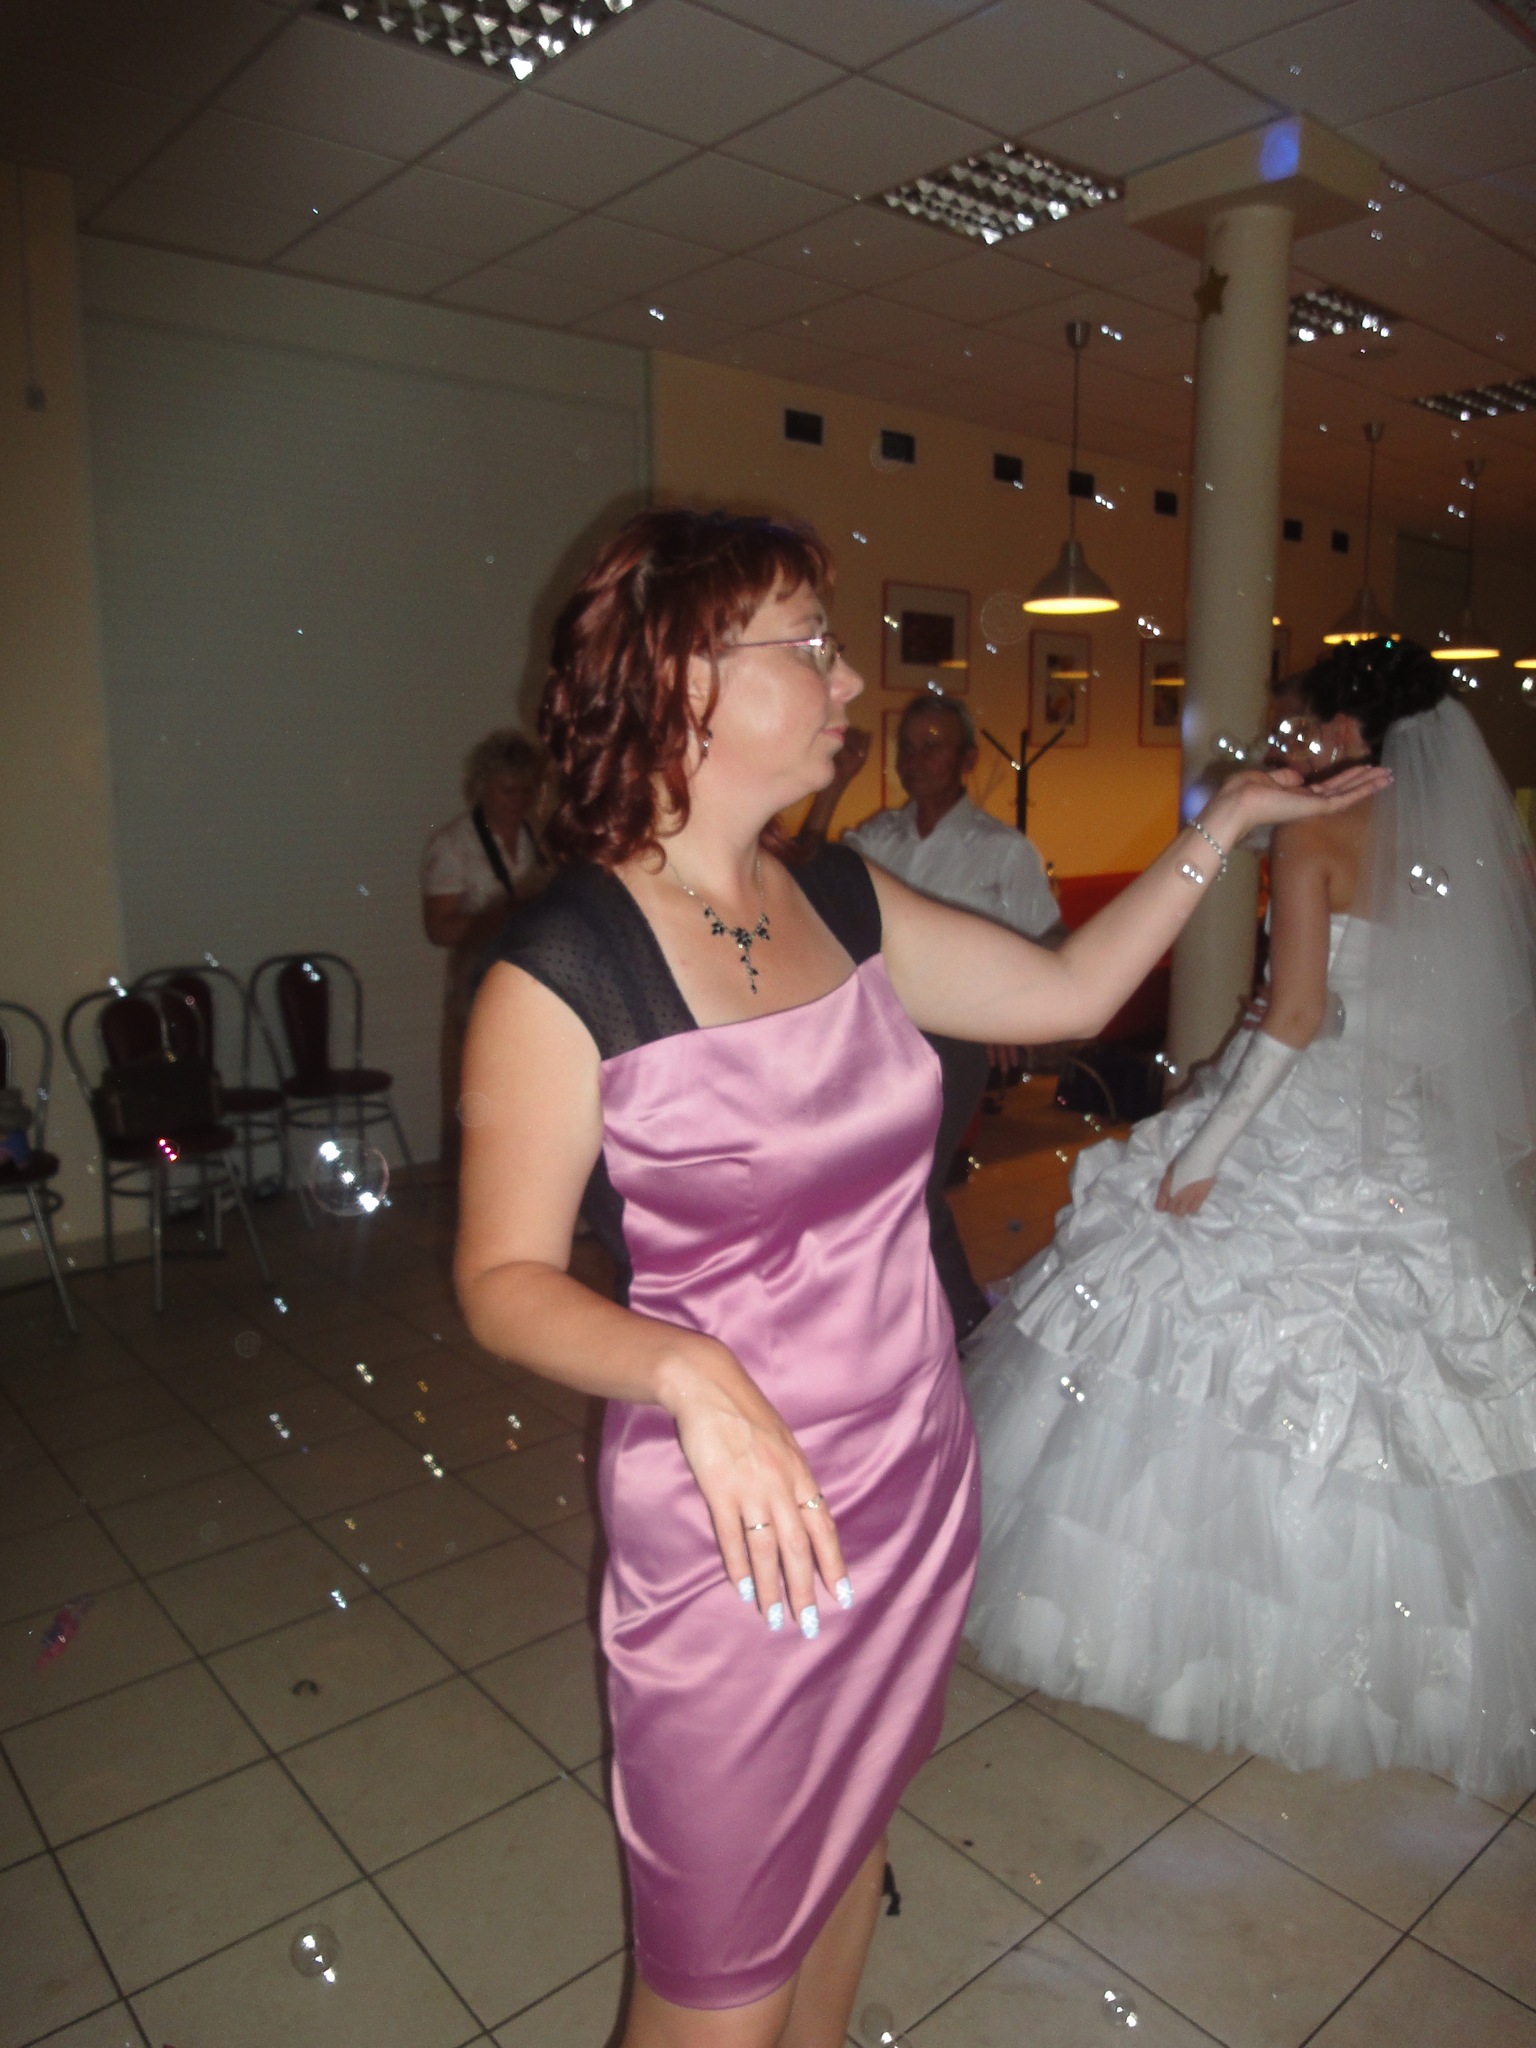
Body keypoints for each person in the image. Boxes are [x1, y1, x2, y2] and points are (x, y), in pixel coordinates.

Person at [452, 506, 1384, 2048]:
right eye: (809, 649)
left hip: (907, 1474)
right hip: (736, 1527)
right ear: (685, 680)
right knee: (712, 1991)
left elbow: (1071, 991)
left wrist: (1229, 820)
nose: (850, 685)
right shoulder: (566, 962)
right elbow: (500, 1277)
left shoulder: (837, 896)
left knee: (841, 1885)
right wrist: (688, 1368)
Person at [965, 637, 1536, 1802]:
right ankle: (1386, 1663)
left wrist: (1209, 1147)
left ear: (1347, 731)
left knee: (1190, 1340)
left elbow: (1300, 1013)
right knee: (1403, 1384)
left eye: (1309, 723)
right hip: (1398, 1121)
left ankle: (1189, 1634)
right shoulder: (1463, 846)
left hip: (1297, 1105)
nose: (1297, 743)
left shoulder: (1314, 831)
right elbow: (1451, 1006)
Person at [800, 694, 1064, 1338]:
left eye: (933, 746)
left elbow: (1049, 945)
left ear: (968, 759)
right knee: (863, 1184)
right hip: (866, 1035)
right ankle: (894, 1321)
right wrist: (832, 788)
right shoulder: (876, 839)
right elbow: (802, 877)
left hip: (951, 1041)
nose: (916, 760)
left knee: (912, 1188)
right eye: (909, 747)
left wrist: (1004, 1015)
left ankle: (967, 1325)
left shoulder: (1002, 850)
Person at [421, 729, 548, 1160]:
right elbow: (438, 930)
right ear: (481, 786)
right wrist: (501, 917)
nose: (518, 801)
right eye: (507, 790)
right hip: (476, 982)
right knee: (480, 1101)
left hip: (535, 980)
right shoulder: (452, 846)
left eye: (526, 791)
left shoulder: (540, 839)